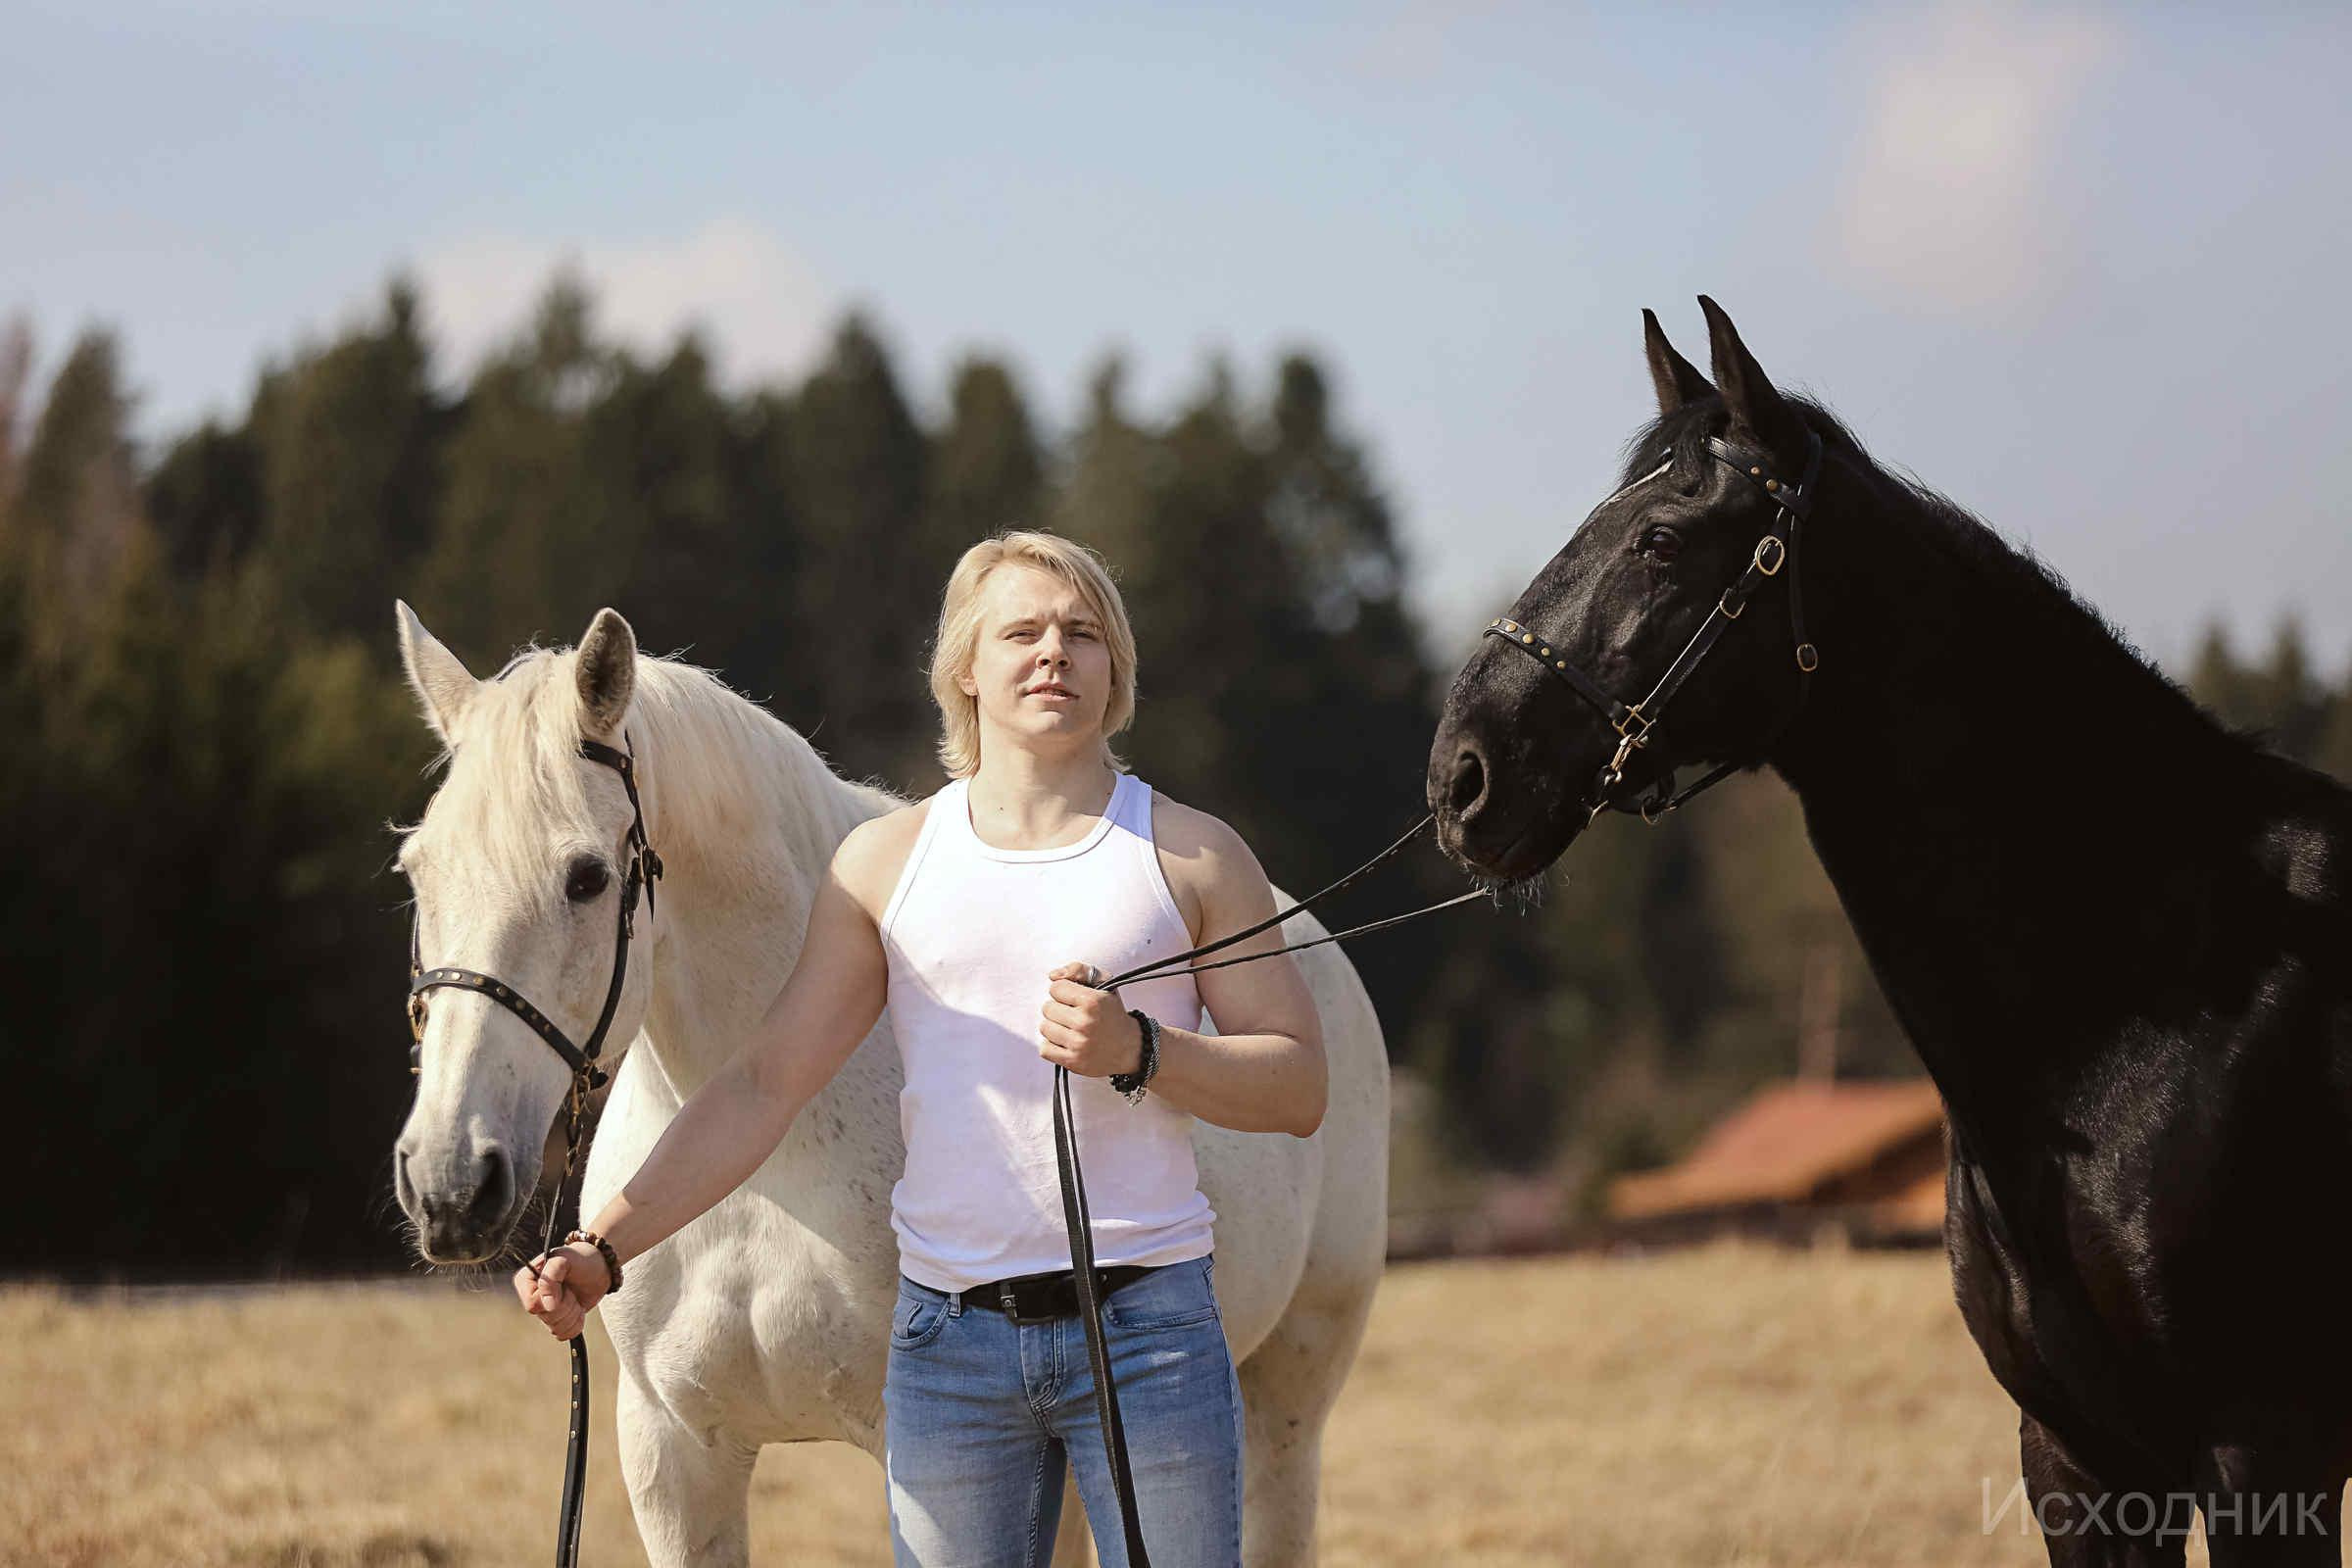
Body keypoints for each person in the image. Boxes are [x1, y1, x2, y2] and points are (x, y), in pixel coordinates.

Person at [514, 528, 1326, 1567]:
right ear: (966, 671)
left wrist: (1145, 1050)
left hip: (1147, 1335)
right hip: (951, 1352)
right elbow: (764, 1084)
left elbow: (1300, 1084)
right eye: (1021, 631)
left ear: (1114, 668)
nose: (1052, 653)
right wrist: (604, 1244)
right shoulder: (885, 864)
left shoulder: (1194, 852)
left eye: (1082, 633)